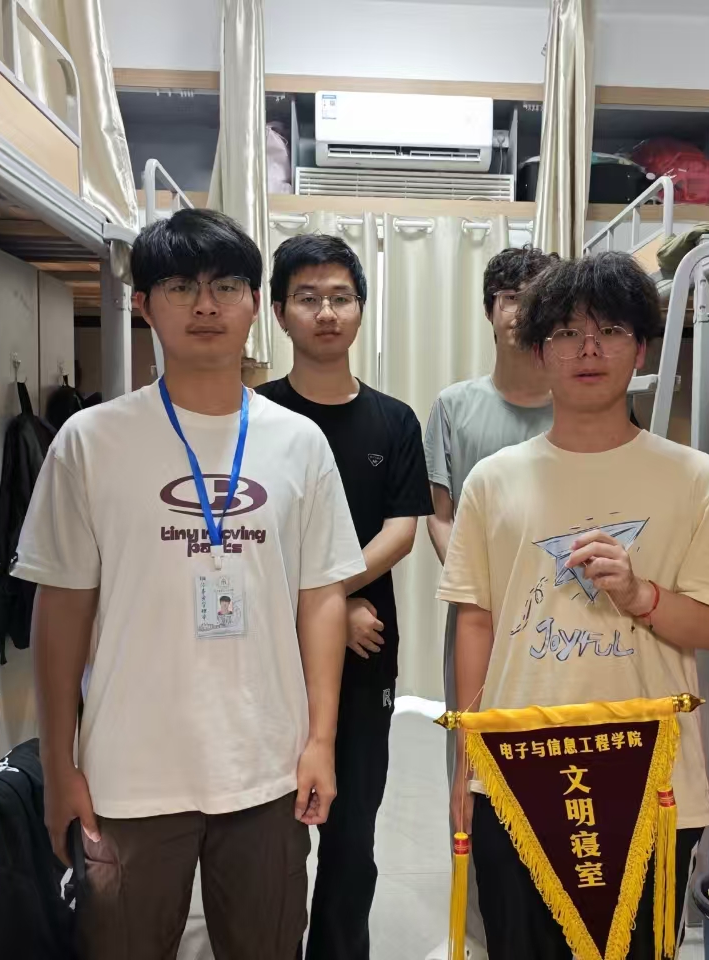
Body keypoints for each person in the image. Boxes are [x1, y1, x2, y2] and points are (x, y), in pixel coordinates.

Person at [15, 209, 365, 960]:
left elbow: (321, 599)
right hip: (128, 772)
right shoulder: (91, 441)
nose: (206, 305)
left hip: (266, 765)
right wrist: (58, 763)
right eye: (180, 286)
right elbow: (61, 607)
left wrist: (320, 741)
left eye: (226, 286)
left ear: (254, 304)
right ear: (144, 303)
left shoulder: (299, 442)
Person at [438, 251, 709, 958]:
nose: (588, 349)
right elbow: (476, 621)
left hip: (649, 778)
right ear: (538, 351)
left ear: (640, 349)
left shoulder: (698, 481)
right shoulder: (492, 481)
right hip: (515, 773)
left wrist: (641, 596)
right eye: (566, 333)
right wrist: (467, 762)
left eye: (610, 330)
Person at [258, 233, 433, 960]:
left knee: (352, 834)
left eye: (340, 297)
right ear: (278, 312)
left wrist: (330, 595)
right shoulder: (255, 416)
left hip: (365, 656)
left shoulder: (394, 421)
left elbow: (402, 532)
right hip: (267, 657)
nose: (325, 312)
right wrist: (328, 608)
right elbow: (247, 544)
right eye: (307, 298)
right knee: (269, 837)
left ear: (361, 309)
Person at [423, 244, 559, 959]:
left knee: (557, 764)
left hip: (565, 622)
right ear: (489, 311)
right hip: (477, 619)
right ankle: (479, 931)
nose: (519, 310)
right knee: (472, 771)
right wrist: (483, 585)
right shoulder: (454, 407)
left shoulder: (583, 401)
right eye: (508, 296)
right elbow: (439, 515)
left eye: (534, 296)